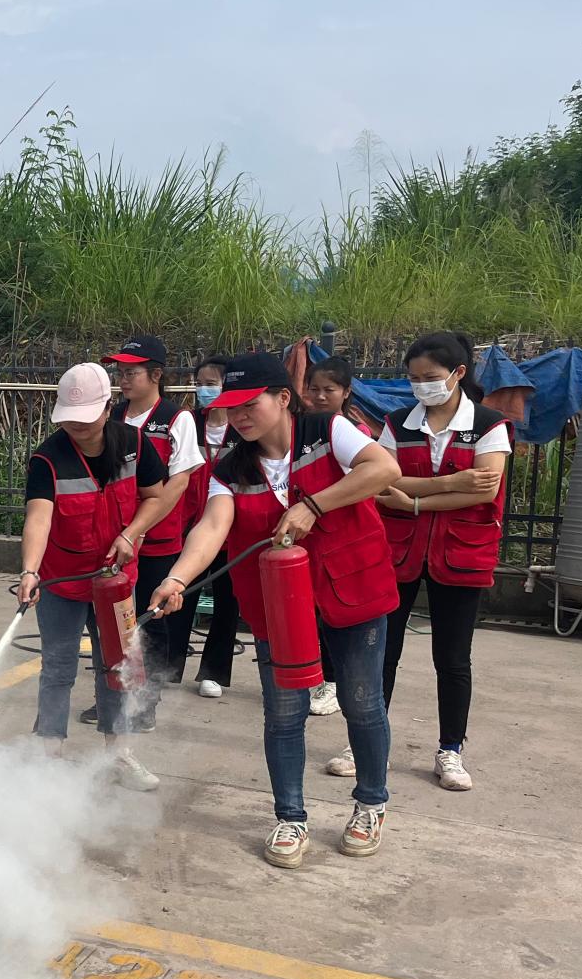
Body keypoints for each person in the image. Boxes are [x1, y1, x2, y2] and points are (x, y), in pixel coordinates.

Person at [149, 352, 402, 870]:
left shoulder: (326, 431)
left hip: (352, 588)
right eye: (231, 406)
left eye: (250, 404)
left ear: (283, 398)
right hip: (279, 607)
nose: (239, 416)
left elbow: (383, 468)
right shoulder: (230, 468)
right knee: (284, 713)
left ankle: (370, 804)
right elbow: (212, 527)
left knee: (361, 703)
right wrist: (177, 578)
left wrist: (313, 504)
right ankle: (290, 815)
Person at [16, 362, 175, 791]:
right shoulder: (48, 459)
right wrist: (30, 570)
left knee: (119, 665)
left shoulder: (134, 445)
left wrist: (130, 533)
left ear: (108, 408)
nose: (78, 428)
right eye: (69, 420)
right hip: (62, 581)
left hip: (116, 582)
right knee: (58, 667)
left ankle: (118, 754)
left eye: (86, 419)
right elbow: (38, 518)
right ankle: (48, 757)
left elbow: (155, 496)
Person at [370, 331, 512, 792]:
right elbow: (379, 483)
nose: (421, 386)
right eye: (413, 379)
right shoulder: (397, 424)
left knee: (452, 658)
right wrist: (453, 482)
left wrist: (413, 499)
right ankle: (368, 743)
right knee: (382, 652)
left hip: (462, 552)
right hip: (398, 552)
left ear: (458, 374)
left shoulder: (489, 425)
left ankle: (451, 749)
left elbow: (485, 489)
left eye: (429, 377)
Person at [102, 336, 204, 705]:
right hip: (115, 535)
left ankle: (147, 700)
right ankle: (112, 696)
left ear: (156, 375)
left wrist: (139, 528)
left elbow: (178, 483)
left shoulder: (177, 419)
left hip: (158, 539)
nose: (123, 380)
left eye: (131, 373)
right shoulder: (112, 416)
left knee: (153, 617)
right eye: (120, 373)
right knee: (113, 621)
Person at [297, 354, 378, 716]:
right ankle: (318, 676)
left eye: (328, 390)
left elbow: (370, 478)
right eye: (313, 389)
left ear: (346, 392)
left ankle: (333, 681)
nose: (318, 396)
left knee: (338, 617)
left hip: (343, 538)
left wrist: (316, 505)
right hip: (309, 539)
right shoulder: (301, 429)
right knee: (311, 613)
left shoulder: (353, 432)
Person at [181, 355, 241, 700]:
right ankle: (168, 663)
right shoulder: (188, 421)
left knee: (227, 603)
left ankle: (213, 672)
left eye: (211, 384)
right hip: (189, 526)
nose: (204, 390)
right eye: (200, 383)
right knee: (180, 595)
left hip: (230, 531)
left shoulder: (243, 427)